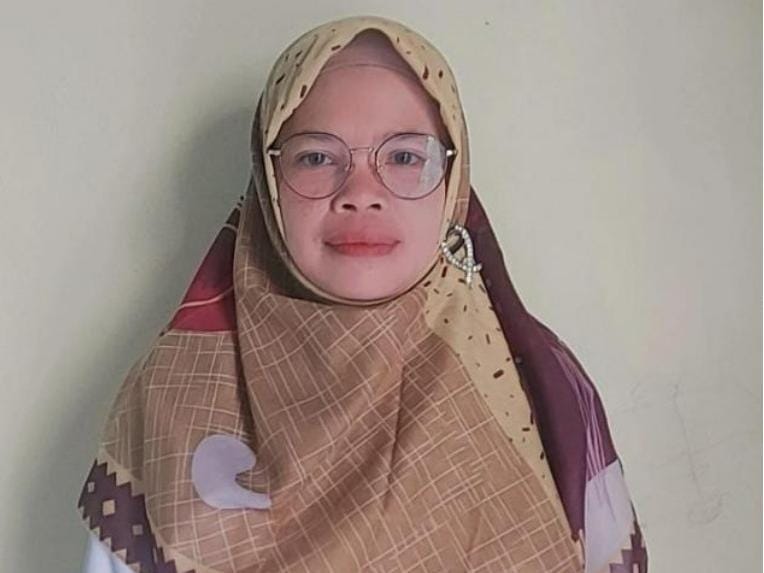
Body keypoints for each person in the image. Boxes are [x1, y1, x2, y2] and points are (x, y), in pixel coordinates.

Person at [77, 15, 647, 572]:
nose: (361, 192)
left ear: (452, 182)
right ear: (269, 182)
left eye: (405, 156)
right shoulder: (169, 396)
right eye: (317, 157)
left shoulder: (540, 388)